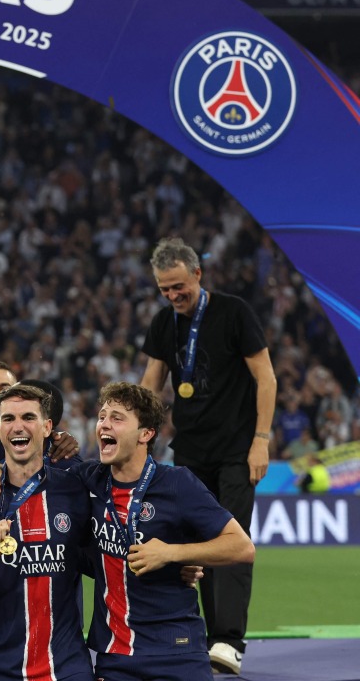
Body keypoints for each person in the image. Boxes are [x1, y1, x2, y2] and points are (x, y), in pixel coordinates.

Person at [140, 237, 275, 674]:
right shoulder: (164, 322)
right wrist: (135, 432)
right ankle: (208, 636)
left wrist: (261, 439)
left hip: (237, 449)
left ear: (198, 274)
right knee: (194, 546)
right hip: (191, 453)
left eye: (179, 286)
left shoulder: (235, 313)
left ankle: (229, 640)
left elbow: (266, 377)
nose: (173, 296)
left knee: (233, 543)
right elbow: (151, 383)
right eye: (165, 290)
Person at [77, 382, 255, 681]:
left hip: (178, 653)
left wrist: (172, 553)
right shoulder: (89, 480)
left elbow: (242, 547)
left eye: (117, 418)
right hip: (116, 656)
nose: (104, 424)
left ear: (145, 434)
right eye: (102, 416)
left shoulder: (177, 483)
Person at [0, 383, 93, 681]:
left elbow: (107, 556)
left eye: (28, 417)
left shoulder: (75, 490)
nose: (19, 426)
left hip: (64, 666)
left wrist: (179, 566)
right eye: (9, 419)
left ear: (47, 426)